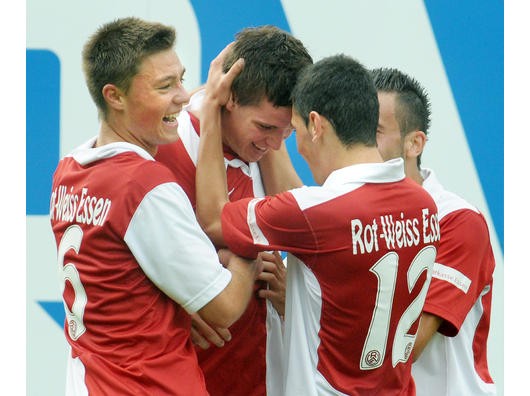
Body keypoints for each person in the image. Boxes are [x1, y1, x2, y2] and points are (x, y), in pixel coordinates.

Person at [196, 53, 441, 395]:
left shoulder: (317, 213)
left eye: (290, 131)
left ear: (315, 125)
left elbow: (212, 218)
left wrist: (210, 110)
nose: (286, 144)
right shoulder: (424, 205)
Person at [49, 17, 261, 395]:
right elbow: (226, 307)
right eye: (165, 86)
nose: (182, 96)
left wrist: (212, 95)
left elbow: (127, 282)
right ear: (114, 96)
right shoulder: (144, 185)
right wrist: (248, 251)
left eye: (181, 79)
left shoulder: (71, 169)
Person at [155, 25, 312, 396]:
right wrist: (170, 305)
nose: (274, 143)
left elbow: (305, 228)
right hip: (182, 378)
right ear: (229, 98)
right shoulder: (163, 147)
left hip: (256, 376)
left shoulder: (266, 149)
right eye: (265, 127)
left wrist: (288, 289)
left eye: (287, 132)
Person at [370, 67, 497, 395]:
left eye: (375, 131)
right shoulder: (345, 218)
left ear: (415, 143)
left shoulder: (459, 221)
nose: (359, 144)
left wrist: (308, 306)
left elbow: (405, 350)